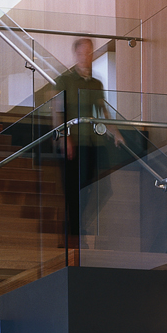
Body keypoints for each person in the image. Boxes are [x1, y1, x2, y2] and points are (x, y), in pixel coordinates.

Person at [50, 37, 127, 249]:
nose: (87, 57)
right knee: (74, 190)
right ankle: (75, 234)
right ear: (76, 55)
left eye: (90, 52)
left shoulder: (96, 83)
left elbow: (102, 112)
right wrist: (65, 138)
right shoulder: (64, 80)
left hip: (91, 144)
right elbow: (57, 111)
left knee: (96, 188)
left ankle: (78, 227)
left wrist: (116, 133)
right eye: (83, 53)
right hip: (71, 145)